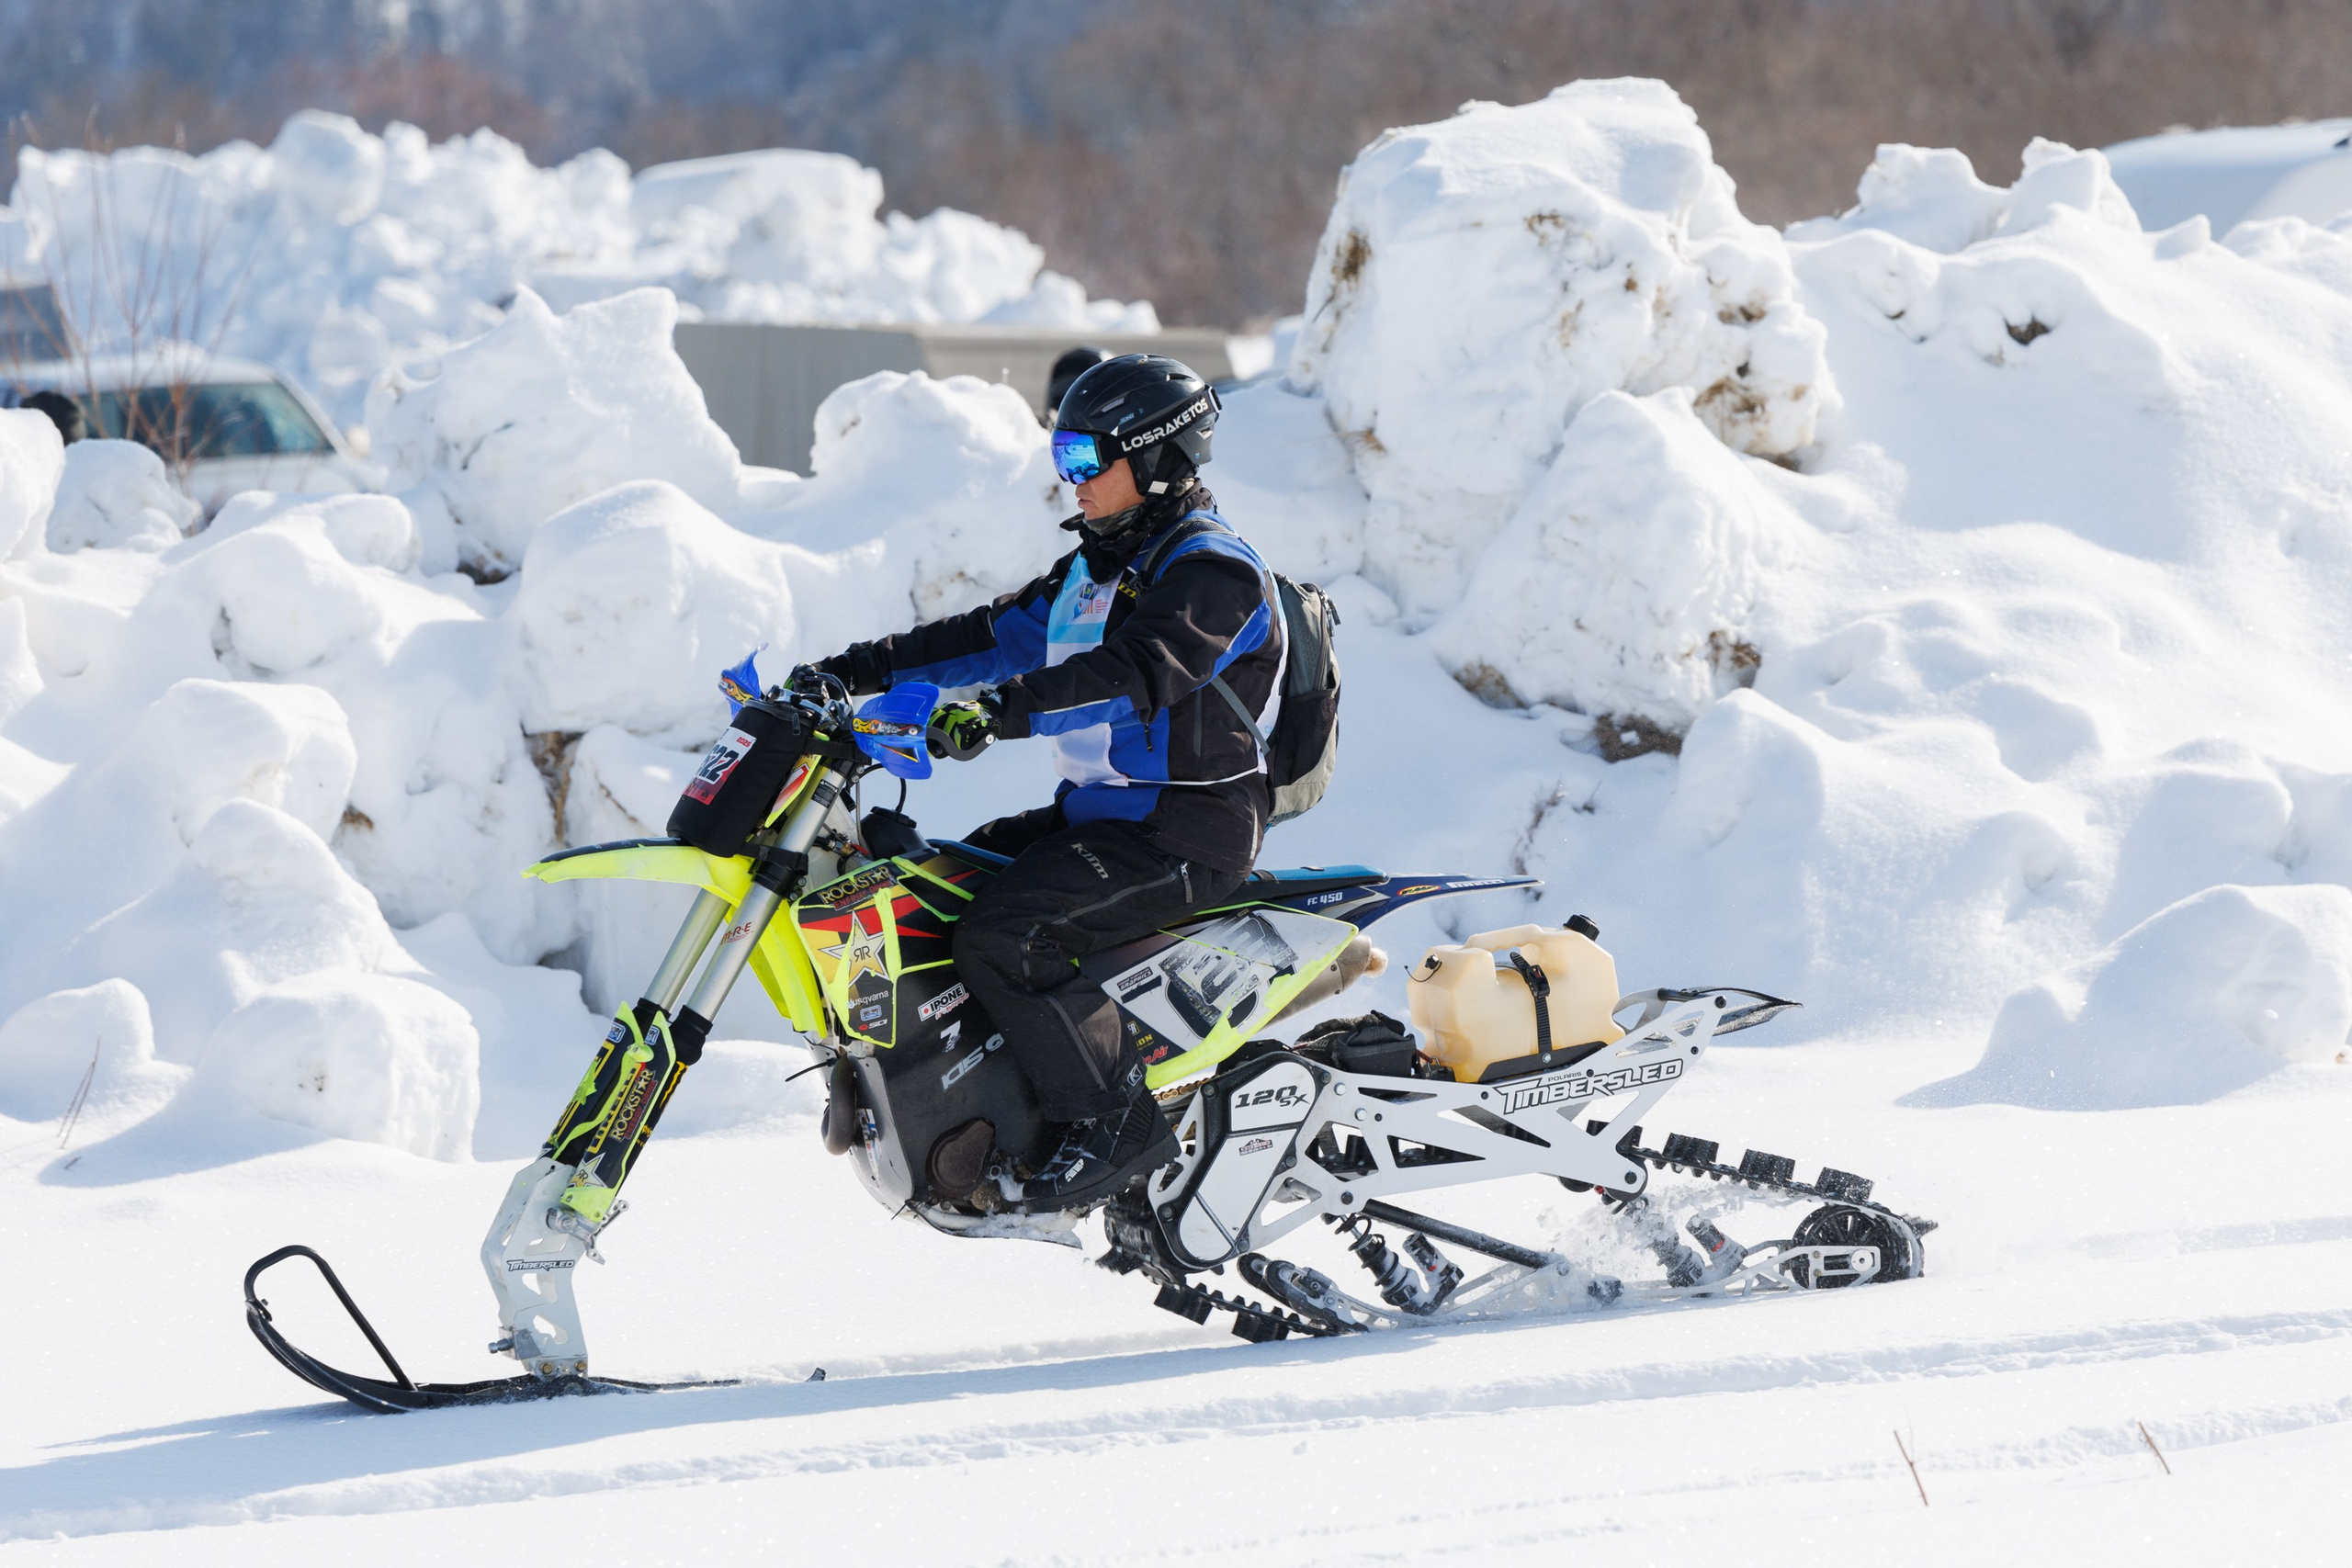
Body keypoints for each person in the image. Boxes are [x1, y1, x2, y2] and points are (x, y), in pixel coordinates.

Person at [816, 354, 1283, 1210]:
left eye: (1083, 459)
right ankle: (990, 1109)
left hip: (1185, 831)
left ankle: (1113, 1123)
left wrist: (999, 713)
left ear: (1154, 459)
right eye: (1060, 456)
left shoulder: (1215, 574)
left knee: (1009, 934)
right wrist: (843, 672)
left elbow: (1133, 671)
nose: (1069, 480)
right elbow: (982, 636)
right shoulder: (1093, 572)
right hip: (1104, 822)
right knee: (937, 888)